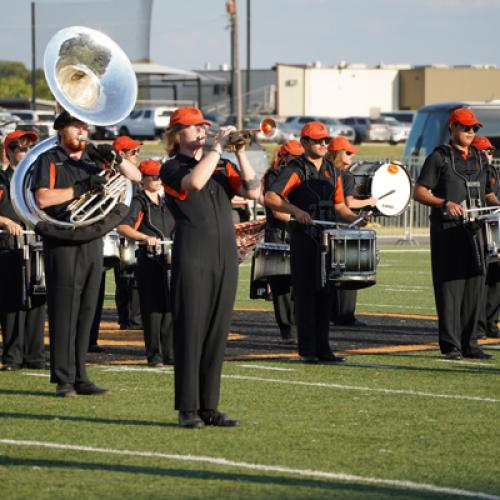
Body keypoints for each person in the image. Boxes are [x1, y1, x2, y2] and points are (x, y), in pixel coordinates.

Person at [160, 107, 260, 428]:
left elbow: (253, 190)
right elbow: (196, 182)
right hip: (193, 255)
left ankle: (209, 407)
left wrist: (240, 152)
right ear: (177, 135)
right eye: (193, 128)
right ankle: (187, 408)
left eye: (203, 127)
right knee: (191, 330)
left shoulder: (222, 164)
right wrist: (217, 147)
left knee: (217, 332)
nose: (201, 132)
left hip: (225, 256)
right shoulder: (172, 167)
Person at [31, 110, 140, 397]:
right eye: (77, 126)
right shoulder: (50, 160)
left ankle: (81, 375)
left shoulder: (95, 158)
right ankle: (63, 379)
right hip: (62, 239)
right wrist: (80, 187)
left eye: (84, 126)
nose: (83, 131)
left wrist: (116, 157)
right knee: (64, 309)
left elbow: (135, 177)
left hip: (92, 238)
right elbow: (42, 197)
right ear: (62, 130)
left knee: (87, 311)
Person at [265, 122, 367, 364]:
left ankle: (324, 347)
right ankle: (307, 349)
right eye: (318, 140)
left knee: (326, 294)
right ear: (305, 143)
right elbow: (271, 197)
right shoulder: (295, 169)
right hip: (305, 238)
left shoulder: (332, 171)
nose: (323, 144)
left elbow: (340, 207)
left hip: (328, 241)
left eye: (325, 140)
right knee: (306, 294)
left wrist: (356, 219)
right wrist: (295, 211)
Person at [413, 108, 496, 360]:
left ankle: (471, 343)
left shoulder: (481, 158)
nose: (471, 132)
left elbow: (489, 193)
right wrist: (444, 203)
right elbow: (419, 192)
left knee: (475, 286)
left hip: (476, 229)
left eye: (474, 128)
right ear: (453, 127)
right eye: (465, 127)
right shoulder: (439, 157)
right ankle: (451, 345)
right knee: (451, 288)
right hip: (447, 230)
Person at [87, 135, 144, 353]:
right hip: (101, 236)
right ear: (121, 155)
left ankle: (130, 319)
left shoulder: (131, 178)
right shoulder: (105, 174)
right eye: (133, 153)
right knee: (95, 289)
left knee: (128, 280)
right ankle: (89, 339)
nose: (137, 156)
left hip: (124, 236)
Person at [117, 159, 175, 366]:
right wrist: (144, 238)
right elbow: (123, 227)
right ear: (144, 179)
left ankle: (170, 353)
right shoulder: (138, 201)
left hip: (169, 258)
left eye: (161, 177)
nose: (159, 180)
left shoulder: (167, 201)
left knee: (170, 306)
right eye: (154, 177)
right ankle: (154, 354)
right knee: (153, 308)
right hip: (149, 259)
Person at [0, 130, 46, 371]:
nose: (25, 152)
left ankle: (35, 355)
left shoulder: (35, 179)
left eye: (28, 148)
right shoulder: (0, 178)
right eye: (19, 148)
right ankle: (12, 357)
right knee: (11, 304)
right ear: (8, 152)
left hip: (35, 245)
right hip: (8, 247)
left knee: (37, 301)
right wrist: (4, 221)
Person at [327, 136, 377, 327]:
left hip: (325, 226)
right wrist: (369, 202)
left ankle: (330, 314)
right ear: (336, 153)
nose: (351, 156)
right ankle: (345, 316)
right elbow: (349, 203)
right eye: (347, 153)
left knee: (327, 276)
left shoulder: (322, 171)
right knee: (347, 274)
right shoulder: (345, 175)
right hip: (343, 228)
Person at [262, 140, 303, 344]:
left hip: (295, 232)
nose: (297, 159)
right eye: (293, 156)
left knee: (299, 283)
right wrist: (299, 218)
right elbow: (277, 210)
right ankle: (288, 330)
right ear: (283, 156)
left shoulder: (300, 175)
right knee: (281, 285)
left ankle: (299, 324)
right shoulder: (273, 176)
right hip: (279, 233)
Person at [472, 136, 500, 339]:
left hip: (494, 228)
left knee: (495, 279)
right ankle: (480, 325)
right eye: (484, 151)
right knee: (483, 279)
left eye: (490, 151)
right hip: (481, 230)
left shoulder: (491, 171)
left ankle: (491, 322)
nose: (489, 155)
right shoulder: (475, 172)